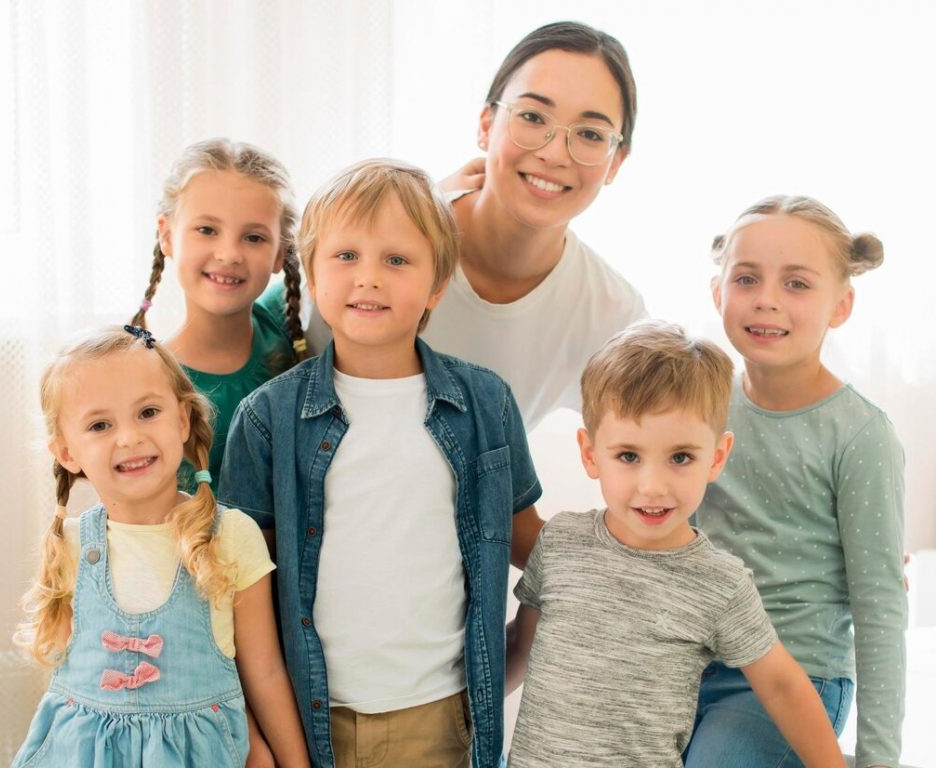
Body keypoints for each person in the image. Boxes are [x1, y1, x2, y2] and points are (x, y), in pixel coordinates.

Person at [218, 159, 544, 768]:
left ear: (437, 284)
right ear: (312, 272)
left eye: (396, 260)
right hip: (311, 719)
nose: (368, 277)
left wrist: (623, 551)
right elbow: (237, 593)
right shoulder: (267, 418)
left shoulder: (485, 404)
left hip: (442, 717)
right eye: (346, 256)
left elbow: (534, 547)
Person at [504, 320, 846, 767]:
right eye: (629, 456)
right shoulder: (559, 544)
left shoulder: (720, 584)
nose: (653, 486)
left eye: (680, 457)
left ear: (717, 457)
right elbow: (520, 648)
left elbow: (782, 687)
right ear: (590, 454)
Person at [305, 21, 647, 429]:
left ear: (616, 162)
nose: (555, 154)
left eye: (590, 134)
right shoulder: (370, 249)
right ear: (486, 125)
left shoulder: (613, 315)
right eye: (532, 116)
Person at [11, 326, 308, 768]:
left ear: (183, 420)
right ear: (67, 453)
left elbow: (263, 673)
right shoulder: (70, 546)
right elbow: (72, 684)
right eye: (100, 425)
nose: (129, 437)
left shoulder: (230, 537)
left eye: (148, 412)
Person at [686, 196, 908, 768]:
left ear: (841, 305)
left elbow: (880, 607)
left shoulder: (861, 435)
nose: (767, 299)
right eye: (746, 278)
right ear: (718, 294)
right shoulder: (700, 406)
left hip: (797, 677)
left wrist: (878, 758)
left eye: (797, 284)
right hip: (688, 662)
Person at [131, 138, 308, 494]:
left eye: (254, 237)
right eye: (207, 230)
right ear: (167, 235)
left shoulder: (285, 319)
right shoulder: (149, 385)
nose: (229, 254)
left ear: (281, 253)